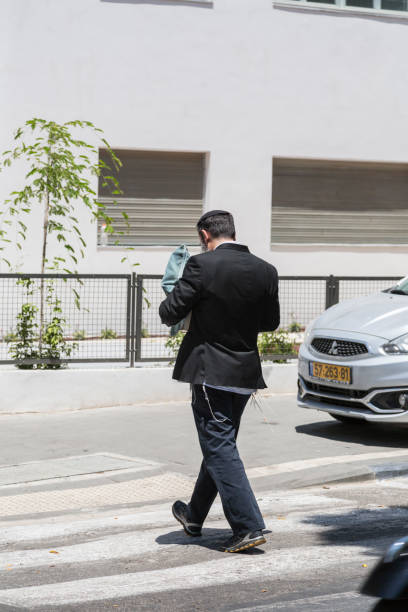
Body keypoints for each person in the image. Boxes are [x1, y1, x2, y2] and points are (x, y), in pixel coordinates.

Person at [159, 210, 280, 553]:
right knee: (220, 444)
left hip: (210, 371)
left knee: (219, 446)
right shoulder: (265, 270)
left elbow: (170, 312)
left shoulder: (201, 265)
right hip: (244, 373)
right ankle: (194, 515)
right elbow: (270, 322)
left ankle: (247, 525)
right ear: (233, 232)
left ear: (204, 234)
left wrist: (176, 289)